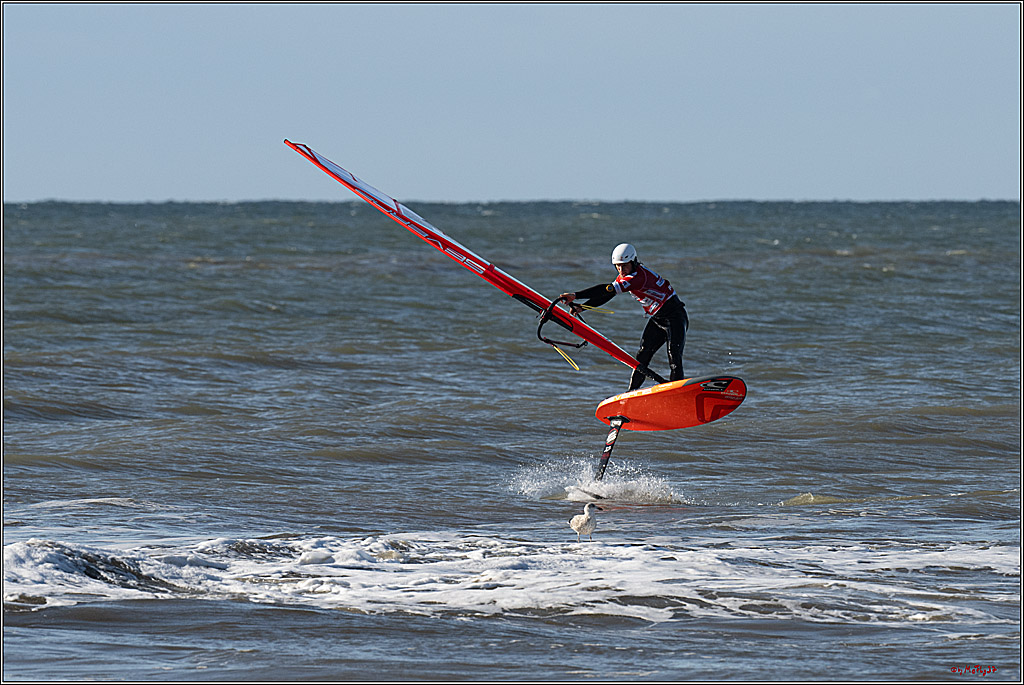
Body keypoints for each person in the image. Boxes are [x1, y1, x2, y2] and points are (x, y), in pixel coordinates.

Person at [561, 243, 688, 391]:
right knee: (642, 355)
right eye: (617, 266)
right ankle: (631, 392)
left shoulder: (637, 278)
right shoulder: (627, 276)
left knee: (674, 356)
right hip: (657, 319)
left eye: (624, 266)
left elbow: (605, 289)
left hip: (675, 316)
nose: (621, 270)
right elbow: (609, 293)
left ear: (633, 262)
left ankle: (678, 391)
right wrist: (583, 307)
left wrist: (576, 295)